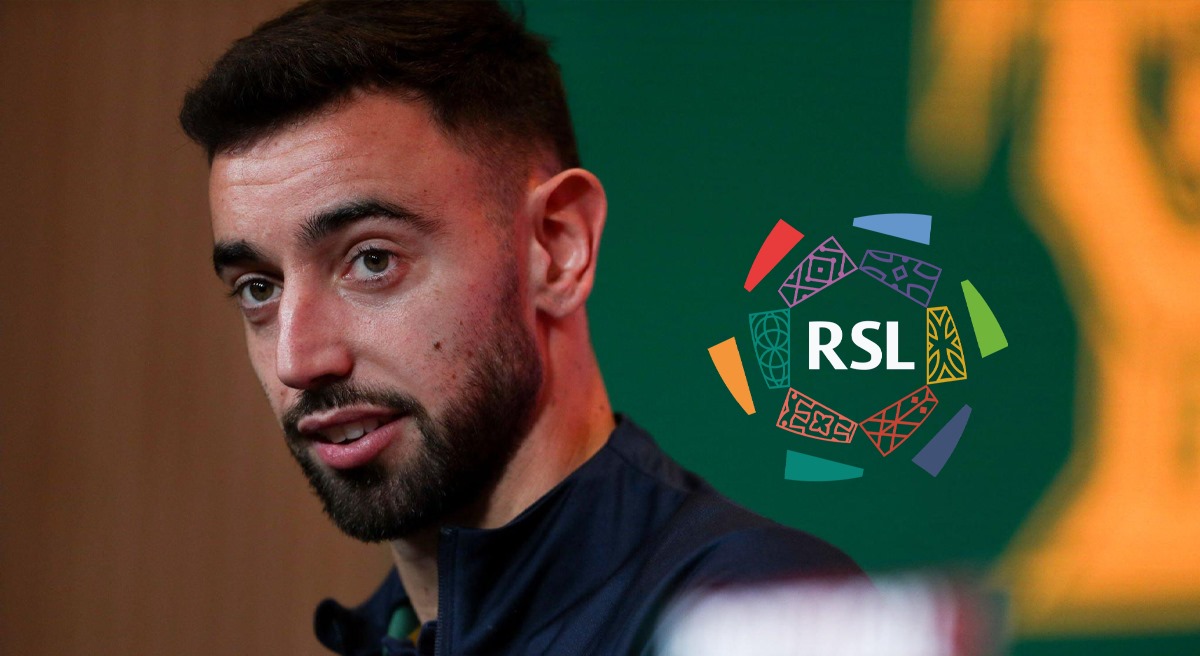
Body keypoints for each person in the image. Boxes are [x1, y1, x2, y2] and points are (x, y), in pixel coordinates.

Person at [179, 1, 864, 654]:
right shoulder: (389, 635)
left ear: (557, 247)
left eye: (373, 260)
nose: (298, 359)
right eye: (259, 288)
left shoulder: (753, 620)